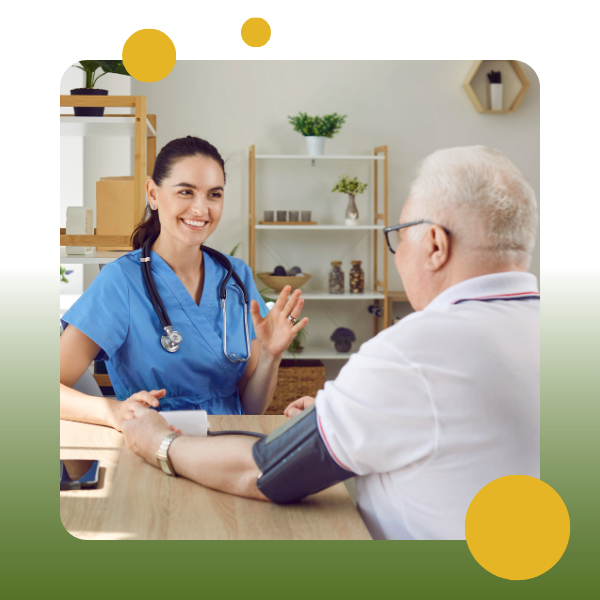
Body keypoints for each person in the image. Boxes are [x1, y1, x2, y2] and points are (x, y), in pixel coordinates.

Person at [121, 145, 539, 540]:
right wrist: (345, 414)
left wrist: (160, 442)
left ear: (434, 244)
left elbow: (265, 473)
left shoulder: (412, 353)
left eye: (397, 237)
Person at [60, 136, 308, 431]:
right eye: (186, 192)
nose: (201, 209)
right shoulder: (121, 282)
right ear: (153, 193)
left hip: (230, 444)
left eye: (214, 195)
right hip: (155, 445)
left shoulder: (236, 277)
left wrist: (270, 357)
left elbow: (250, 407)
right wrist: (113, 411)